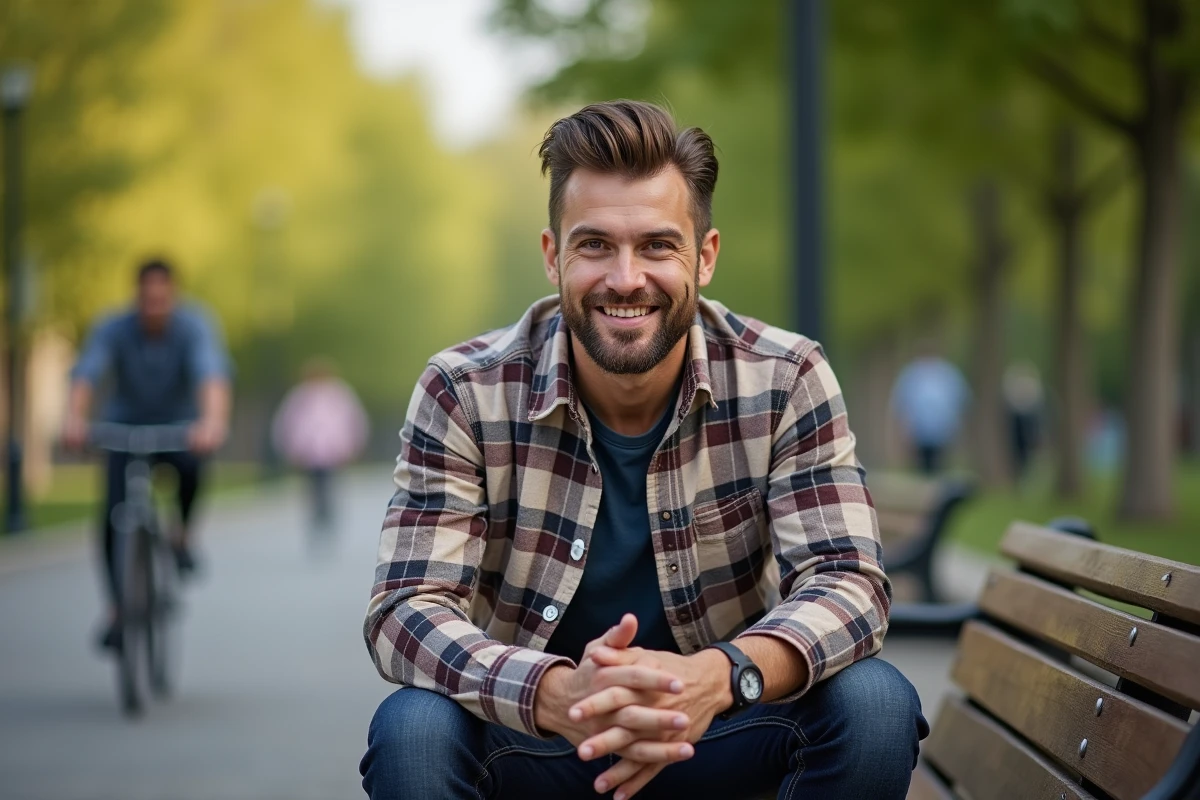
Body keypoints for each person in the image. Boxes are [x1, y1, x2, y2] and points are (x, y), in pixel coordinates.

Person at [361, 101, 927, 800]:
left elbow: (850, 583)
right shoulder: (463, 390)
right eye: (594, 245)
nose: (625, 278)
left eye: (657, 246)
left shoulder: (785, 378)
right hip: (539, 743)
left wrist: (718, 677)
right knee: (413, 731)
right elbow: (407, 608)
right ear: (552, 255)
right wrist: (554, 691)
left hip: (720, 735)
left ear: (705, 256)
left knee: (873, 705)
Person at [63, 258, 231, 649]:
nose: (154, 306)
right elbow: (87, 373)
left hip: (177, 427)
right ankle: (118, 609)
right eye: (147, 298)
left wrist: (212, 421)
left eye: (162, 298)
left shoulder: (194, 326)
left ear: (173, 294)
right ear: (136, 296)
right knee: (111, 515)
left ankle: (182, 536)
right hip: (124, 427)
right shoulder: (113, 327)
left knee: (192, 466)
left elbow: (212, 375)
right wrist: (74, 418)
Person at [271, 357, 369, 535]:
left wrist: (353, 444)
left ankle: (327, 514)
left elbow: (354, 420)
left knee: (329, 483)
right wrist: (290, 447)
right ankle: (318, 513)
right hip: (308, 450)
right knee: (313, 485)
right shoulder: (300, 396)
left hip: (333, 449)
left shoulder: (339, 394)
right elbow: (287, 422)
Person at [890, 347, 970, 475]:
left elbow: (960, 400)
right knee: (922, 466)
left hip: (942, 431)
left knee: (940, 465)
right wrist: (905, 429)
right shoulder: (911, 374)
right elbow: (902, 404)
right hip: (919, 432)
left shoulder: (947, 373)